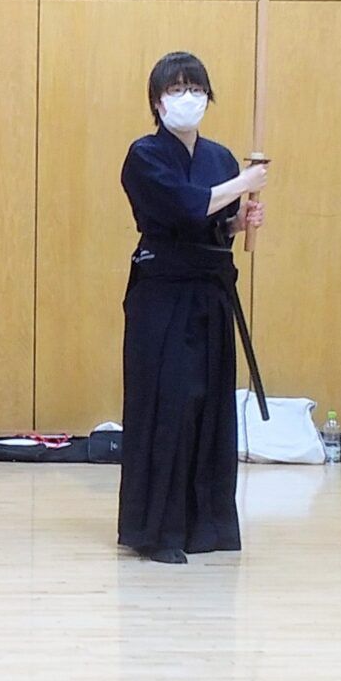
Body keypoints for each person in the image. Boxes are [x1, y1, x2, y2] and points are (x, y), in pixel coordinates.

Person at [117, 51, 269, 563]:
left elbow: (214, 223)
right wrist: (243, 185)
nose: (188, 98)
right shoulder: (144, 155)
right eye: (176, 89)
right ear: (157, 102)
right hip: (162, 292)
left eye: (196, 88)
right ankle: (158, 531)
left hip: (211, 290)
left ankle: (207, 526)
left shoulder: (220, 157)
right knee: (171, 404)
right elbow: (185, 206)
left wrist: (239, 223)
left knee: (208, 403)